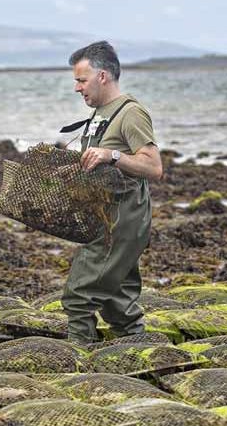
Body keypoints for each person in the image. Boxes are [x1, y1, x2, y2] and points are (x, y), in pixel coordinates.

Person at [60, 41, 162, 345]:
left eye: (81, 80)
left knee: (79, 295)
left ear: (102, 76)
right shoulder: (101, 114)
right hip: (104, 216)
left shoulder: (130, 114)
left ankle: (78, 364)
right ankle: (137, 352)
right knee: (117, 301)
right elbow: (96, 162)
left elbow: (153, 167)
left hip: (122, 218)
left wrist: (112, 156)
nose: (77, 88)